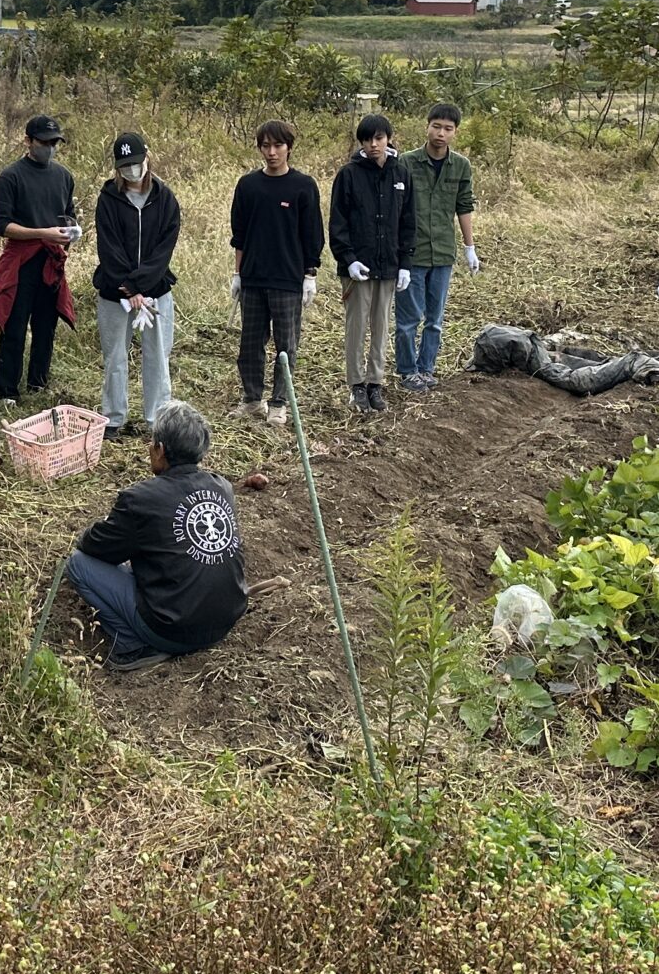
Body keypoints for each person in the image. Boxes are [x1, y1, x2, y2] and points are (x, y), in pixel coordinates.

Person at [64, 401, 248, 673]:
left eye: (152, 443)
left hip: (173, 629)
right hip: (225, 621)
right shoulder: (223, 487)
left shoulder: (140, 499)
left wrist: (104, 528)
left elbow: (93, 547)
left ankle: (132, 644)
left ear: (160, 450)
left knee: (78, 565)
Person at [227, 119, 323, 429]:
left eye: (278, 145)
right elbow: (239, 235)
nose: (271, 152)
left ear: (289, 148)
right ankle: (252, 398)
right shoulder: (248, 186)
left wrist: (310, 274)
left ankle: (279, 402)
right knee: (250, 343)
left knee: (286, 344)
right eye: (265, 146)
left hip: (288, 279)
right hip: (253, 278)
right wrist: (238, 273)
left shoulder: (303, 186)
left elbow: (312, 234)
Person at [90, 131, 181, 435]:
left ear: (147, 157)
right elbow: (109, 247)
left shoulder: (165, 198)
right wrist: (128, 288)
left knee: (158, 355)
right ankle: (114, 417)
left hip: (156, 291)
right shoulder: (108, 199)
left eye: (136, 162)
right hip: (114, 290)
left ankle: (157, 418)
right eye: (125, 165)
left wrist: (142, 286)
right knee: (115, 355)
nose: (131, 170)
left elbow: (164, 249)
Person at [0, 113, 81, 403]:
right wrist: (42, 233)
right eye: (44, 143)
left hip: (51, 260)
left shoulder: (63, 176)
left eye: (55, 143)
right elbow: (1, 225)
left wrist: (70, 233)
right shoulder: (10, 177)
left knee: (46, 325)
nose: (50, 148)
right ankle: (7, 390)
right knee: (15, 326)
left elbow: (69, 215)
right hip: (21, 261)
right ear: (28, 141)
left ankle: (38, 383)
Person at [328, 112, 416, 412]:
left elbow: (408, 221)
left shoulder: (401, 174)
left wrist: (405, 263)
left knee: (381, 325)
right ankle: (356, 385)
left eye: (378, 138)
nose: (373, 145)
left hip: (388, 264)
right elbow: (338, 222)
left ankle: (375, 383)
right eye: (367, 140)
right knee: (356, 326)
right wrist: (348, 258)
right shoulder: (348, 175)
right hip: (358, 268)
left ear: (388, 138)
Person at [395, 102, 479, 392]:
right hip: (412, 253)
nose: (441, 133)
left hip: (443, 251)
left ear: (455, 132)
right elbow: (395, 207)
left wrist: (469, 247)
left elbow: (464, 206)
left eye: (448, 129)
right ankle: (408, 371)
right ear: (427, 126)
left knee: (435, 319)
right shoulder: (406, 162)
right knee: (408, 318)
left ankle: (427, 368)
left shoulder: (461, 165)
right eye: (436, 126)